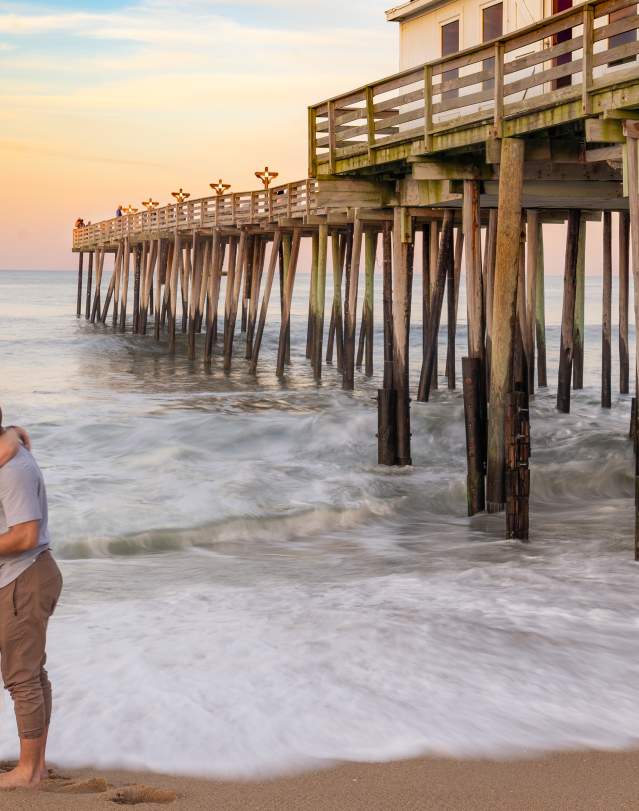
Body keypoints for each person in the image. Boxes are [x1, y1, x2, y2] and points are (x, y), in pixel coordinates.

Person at [0, 412, 63, 790]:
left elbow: (25, 536)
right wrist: (12, 433)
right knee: (30, 673)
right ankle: (34, 765)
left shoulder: (13, 470)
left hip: (24, 577)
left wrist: (12, 438)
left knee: (23, 676)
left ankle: (29, 772)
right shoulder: (6, 450)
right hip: (18, 577)